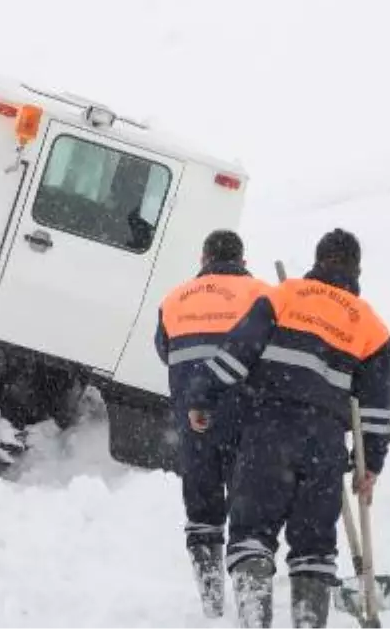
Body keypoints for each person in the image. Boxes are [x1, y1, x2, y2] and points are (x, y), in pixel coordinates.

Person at [211, 229, 390, 629]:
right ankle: (309, 620)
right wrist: (371, 464)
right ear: (356, 270)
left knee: (252, 534)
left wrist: (202, 398)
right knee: (314, 546)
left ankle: (254, 617)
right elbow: (375, 411)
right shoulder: (372, 326)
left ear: (318, 260)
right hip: (324, 445)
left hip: (268, 431)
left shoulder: (284, 295)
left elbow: (235, 354)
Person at [154, 229, 273, 619]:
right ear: (242, 260)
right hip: (247, 414)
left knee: (202, 509)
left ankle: (211, 604)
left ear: (204, 259)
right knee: (248, 508)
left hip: (195, 419)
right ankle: (251, 607)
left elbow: (165, 351)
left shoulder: (174, 299)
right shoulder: (262, 295)